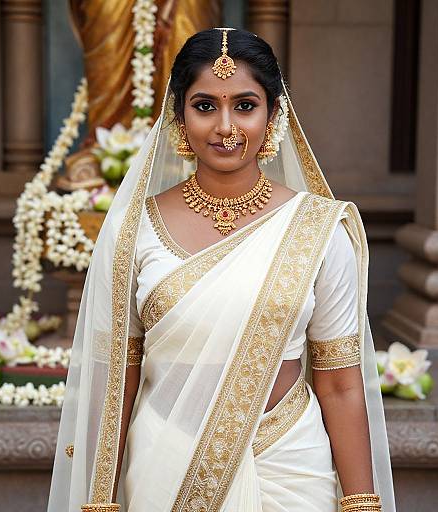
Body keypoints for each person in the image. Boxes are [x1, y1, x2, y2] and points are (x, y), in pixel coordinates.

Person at [47, 28, 396, 512]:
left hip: (289, 460)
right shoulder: (135, 230)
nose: (225, 126)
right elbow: (115, 377)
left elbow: (339, 381)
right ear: (179, 116)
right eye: (205, 105)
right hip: (167, 456)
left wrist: (360, 503)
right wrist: (99, 499)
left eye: (246, 106)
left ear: (274, 114)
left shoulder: (319, 230)